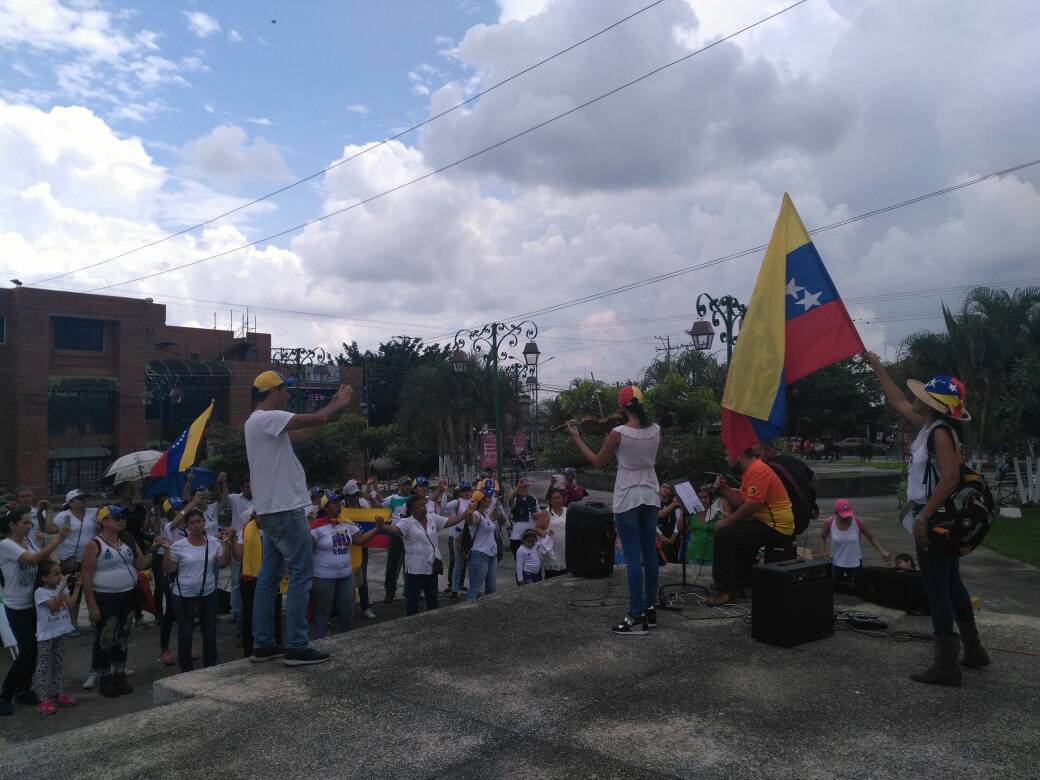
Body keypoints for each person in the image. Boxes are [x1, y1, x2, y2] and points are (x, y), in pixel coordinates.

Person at [865, 352, 988, 685]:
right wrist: (877, 365)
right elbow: (897, 401)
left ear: (934, 404)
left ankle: (946, 665)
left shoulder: (939, 434)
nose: (916, 401)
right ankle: (974, 650)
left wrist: (924, 517)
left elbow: (949, 478)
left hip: (935, 518)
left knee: (937, 590)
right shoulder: (931, 427)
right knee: (951, 583)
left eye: (925, 397)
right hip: (939, 516)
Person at [244, 370, 352, 667]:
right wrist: (338, 405)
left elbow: (304, 432)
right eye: (285, 390)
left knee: (268, 576)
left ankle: (263, 643)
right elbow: (314, 419)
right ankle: (297, 645)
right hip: (286, 509)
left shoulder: (258, 424)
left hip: (270, 511)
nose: (289, 395)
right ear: (273, 392)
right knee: (302, 574)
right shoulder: (266, 419)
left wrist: (327, 409)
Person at [567, 385, 661, 636]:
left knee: (632, 556)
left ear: (622, 407)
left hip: (628, 495)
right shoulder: (656, 430)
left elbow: (597, 461)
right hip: (651, 493)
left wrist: (577, 437)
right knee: (650, 554)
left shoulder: (618, 433)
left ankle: (636, 614)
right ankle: (651, 609)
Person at [0, 507, 70, 716]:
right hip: (18, 606)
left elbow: (41, 564)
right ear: (12, 525)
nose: (28, 526)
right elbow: (33, 560)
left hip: (35, 603)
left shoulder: (28, 541)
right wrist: (58, 539)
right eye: (24, 523)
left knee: (37, 651)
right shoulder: (5, 545)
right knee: (28, 651)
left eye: (30, 522)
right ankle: (5, 694)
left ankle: (23, 689)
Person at [80, 505, 154, 698]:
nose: (122, 520)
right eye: (116, 517)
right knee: (106, 637)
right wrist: (92, 605)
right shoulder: (94, 544)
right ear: (104, 521)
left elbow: (139, 564)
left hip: (128, 594)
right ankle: (105, 676)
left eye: (123, 517)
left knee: (123, 635)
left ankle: (120, 673)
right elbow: (86, 577)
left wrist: (153, 550)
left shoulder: (127, 540)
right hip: (105, 596)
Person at [710, 448, 795, 606]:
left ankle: (725, 590)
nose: (727, 459)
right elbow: (743, 502)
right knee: (732, 533)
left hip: (777, 527)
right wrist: (725, 490)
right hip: (766, 522)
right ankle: (738, 583)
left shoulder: (758, 470)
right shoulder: (749, 471)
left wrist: (727, 522)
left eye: (728, 454)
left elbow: (752, 506)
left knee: (723, 534)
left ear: (739, 454)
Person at [158, 509, 233, 673]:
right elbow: (169, 569)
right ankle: (186, 670)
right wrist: (167, 550)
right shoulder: (179, 546)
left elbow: (223, 563)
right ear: (186, 526)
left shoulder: (213, 542)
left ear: (204, 523)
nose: (196, 525)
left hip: (208, 594)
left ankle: (210, 667)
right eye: (192, 523)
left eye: (199, 521)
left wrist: (227, 543)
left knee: (210, 634)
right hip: (184, 596)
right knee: (185, 634)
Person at [378, 493, 470, 616]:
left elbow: (449, 521)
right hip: (415, 570)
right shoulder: (406, 523)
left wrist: (465, 514)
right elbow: (396, 531)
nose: (423, 508)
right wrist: (383, 526)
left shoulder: (433, 518)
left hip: (431, 568)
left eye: (423, 505)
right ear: (411, 510)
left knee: (433, 600)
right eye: (419, 507)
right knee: (412, 602)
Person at [309, 491, 380, 638]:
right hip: (323, 577)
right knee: (323, 610)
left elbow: (359, 540)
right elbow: (308, 552)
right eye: (334, 503)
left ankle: (346, 639)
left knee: (348, 608)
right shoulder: (316, 527)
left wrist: (377, 528)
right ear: (325, 508)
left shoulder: (346, 523)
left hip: (346, 575)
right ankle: (320, 640)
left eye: (339, 502)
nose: (339, 505)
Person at [233, 511, 285, 659]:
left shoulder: (275, 529)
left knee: (274, 614)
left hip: (273, 578)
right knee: (250, 617)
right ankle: (250, 651)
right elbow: (238, 556)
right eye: (259, 515)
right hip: (251, 579)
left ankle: (276, 646)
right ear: (255, 515)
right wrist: (231, 541)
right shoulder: (245, 529)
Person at [33, 561, 80, 714]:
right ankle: (43, 699)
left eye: (59, 573)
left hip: (59, 631)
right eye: (55, 574)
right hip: (46, 635)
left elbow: (71, 604)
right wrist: (61, 588)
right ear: (44, 578)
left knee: (58, 664)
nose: (59, 577)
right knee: (43, 666)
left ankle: (58, 693)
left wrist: (78, 586)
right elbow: (54, 607)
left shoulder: (62, 588)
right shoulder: (40, 592)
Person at [53, 489, 98, 637]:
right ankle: (72, 624)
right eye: (79, 499)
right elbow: (51, 529)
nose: (83, 501)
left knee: (94, 590)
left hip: (92, 558)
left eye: (84, 498)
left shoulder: (94, 512)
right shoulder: (62, 516)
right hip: (71, 560)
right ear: (70, 502)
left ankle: (95, 621)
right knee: (73, 593)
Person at [818, 498, 892, 587]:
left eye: (848, 515)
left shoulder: (858, 522)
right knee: (837, 589)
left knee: (858, 587)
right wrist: (823, 552)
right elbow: (823, 537)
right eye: (844, 516)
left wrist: (882, 551)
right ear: (836, 513)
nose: (847, 518)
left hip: (855, 563)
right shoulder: (829, 522)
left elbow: (871, 537)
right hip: (836, 563)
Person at [380, 476, 414, 604]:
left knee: (411, 564)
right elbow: (378, 505)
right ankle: (390, 591)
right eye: (405, 485)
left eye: (409, 484)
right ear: (399, 486)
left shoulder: (414, 498)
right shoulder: (392, 498)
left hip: (411, 535)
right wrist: (372, 491)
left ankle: (409, 589)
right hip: (396, 535)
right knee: (393, 565)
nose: (408, 487)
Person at [226, 480, 254, 627]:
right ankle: (235, 610)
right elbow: (222, 499)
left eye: (251, 486)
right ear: (241, 488)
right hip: (238, 540)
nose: (249, 489)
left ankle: (249, 609)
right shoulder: (235, 498)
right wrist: (223, 483)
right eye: (246, 486)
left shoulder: (259, 498)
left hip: (255, 542)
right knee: (236, 578)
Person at [464, 489, 498, 603]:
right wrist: (468, 514)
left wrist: (497, 505)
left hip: (492, 554)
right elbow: (470, 522)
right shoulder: (476, 514)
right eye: (487, 498)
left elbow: (498, 518)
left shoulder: (486, 513)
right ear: (481, 501)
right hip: (479, 554)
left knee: (492, 588)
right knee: (475, 588)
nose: (489, 499)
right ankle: (468, 611)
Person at [443, 481, 474, 599]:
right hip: (457, 536)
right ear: (460, 492)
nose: (466, 493)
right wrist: (445, 492)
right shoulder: (457, 502)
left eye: (468, 490)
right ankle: (453, 588)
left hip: (470, 536)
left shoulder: (474, 501)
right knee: (457, 563)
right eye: (464, 491)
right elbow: (444, 507)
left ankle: (467, 587)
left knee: (469, 563)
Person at [506, 477, 540, 559]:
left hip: (532, 537)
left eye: (526, 486)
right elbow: (510, 501)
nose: (525, 489)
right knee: (520, 565)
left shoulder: (532, 499)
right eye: (522, 486)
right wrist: (517, 487)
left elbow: (538, 514)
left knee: (534, 565)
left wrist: (537, 515)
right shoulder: (515, 499)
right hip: (518, 538)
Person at [541, 487, 568, 578]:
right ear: (551, 501)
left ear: (562, 499)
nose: (557, 500)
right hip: (552, 552)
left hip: (565, 551)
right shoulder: (546, 512)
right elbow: (537, 528)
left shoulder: (567, 511)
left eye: (559, 497)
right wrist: (544, 532)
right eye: (554, 498)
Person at [657, 482, 684, 563]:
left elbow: (678, 518)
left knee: (674, 559)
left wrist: (675, 534)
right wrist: (661, 535)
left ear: (671, 491)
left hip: (673, 536)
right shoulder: (655, 502)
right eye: (663, 486)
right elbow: (653, 519)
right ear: (659, 488)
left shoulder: (676, 503)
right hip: (659, 536)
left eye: (668, 488)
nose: (665, 489)